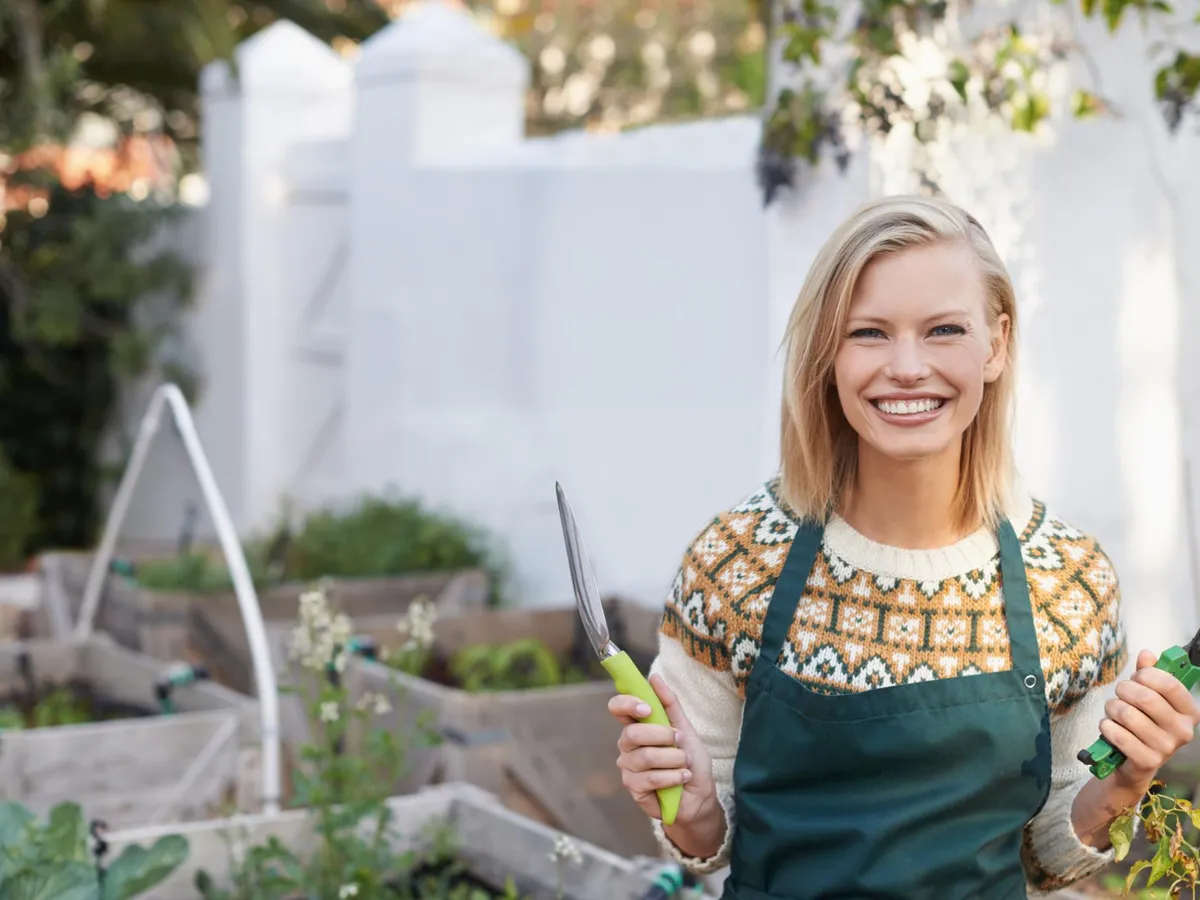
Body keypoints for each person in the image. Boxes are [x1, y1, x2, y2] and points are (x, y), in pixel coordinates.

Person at [608, 195, 1200, 899]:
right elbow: (707, 842)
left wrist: (1126, 781)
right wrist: (696, 812)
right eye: (869, 333)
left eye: (944, 329)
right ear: (828, 351)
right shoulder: (736, 562)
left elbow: (1047, 859)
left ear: (997, 344)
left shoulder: (1068, 581)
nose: (908, 367)